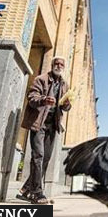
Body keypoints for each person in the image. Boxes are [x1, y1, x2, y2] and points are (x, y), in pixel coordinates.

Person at [17, 56, 71, 204]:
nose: (59, 66)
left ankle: (25, 189)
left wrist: (67, 104)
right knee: (38, 156)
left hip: (52, 126)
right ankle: (37, 193)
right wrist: (43, 100)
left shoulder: (64, 84)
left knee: (45, 158)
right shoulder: (41, 79)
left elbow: (66, 107)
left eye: (62, 64)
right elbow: (32, 97)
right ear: (52, 65)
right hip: (38, 123)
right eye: (57, 63)